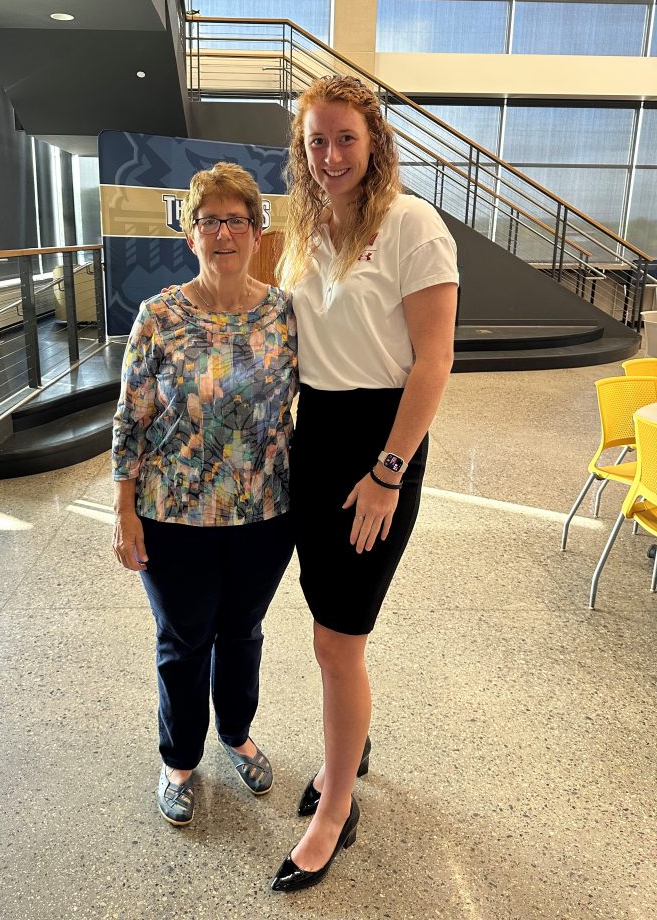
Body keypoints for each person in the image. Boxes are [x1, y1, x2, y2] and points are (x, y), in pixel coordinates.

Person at [270, 76, 459, 891]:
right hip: (313, 440)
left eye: (346, 139)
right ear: (302, 150)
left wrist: (389, 470)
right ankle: (358, 744)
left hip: (378, 447)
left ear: (374, 142)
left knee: (336, 639)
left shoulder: (412, 224)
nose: (331, 156)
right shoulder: (307, 230)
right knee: (328, 621)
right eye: (317, 141)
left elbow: (434, 361)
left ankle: (336, 810)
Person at [111, 162, 297, 826]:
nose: (224, 232)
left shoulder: (284, 313)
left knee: (243, 632)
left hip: (266, 515)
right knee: (184, 640)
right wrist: (123, 509)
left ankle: (236, 734)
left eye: (236, 219)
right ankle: (179, 760)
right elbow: (131, 418)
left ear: (256, 232)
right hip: (174, 513)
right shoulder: (159, 316)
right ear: (191, 235)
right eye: (209, 220)